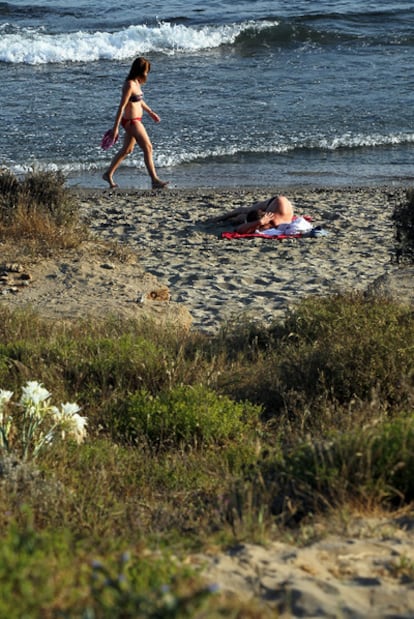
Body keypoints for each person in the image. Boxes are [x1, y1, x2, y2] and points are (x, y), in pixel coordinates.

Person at [103, 56, 168, 190]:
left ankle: (108, 174)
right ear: (139, 70)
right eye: (145, 71)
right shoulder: (129, 85)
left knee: (127, 149)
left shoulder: (137, 83)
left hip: (137, 120)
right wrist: (115, 128)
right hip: (131, 122)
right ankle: (154, 180)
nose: (146, 74)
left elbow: (139, 101)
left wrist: (150, 112)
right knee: (148, 147)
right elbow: (121, 107)